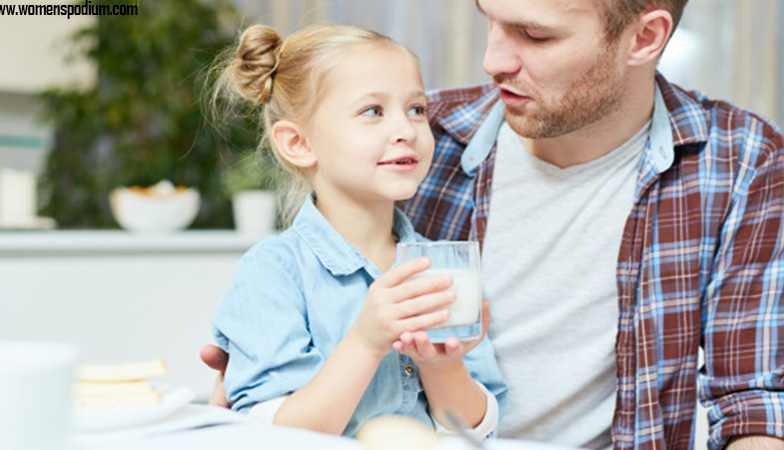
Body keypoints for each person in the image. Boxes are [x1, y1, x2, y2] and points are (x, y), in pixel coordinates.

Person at [204, 0, 784, 448]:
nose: (492, 62)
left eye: (534, 34)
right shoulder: (408, 149)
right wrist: (248, 410)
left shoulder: (741, 164)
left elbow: (756, 402)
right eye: (489, 18)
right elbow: (272, 411)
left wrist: (444, 364)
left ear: (645, 36)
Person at [207, 23, 507, 439]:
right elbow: (274, 437)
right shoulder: (273, 273)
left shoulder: (443, 269)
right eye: (373, 111)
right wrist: (367, 342)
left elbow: (478, 433)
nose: (407, 130)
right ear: (298, 143)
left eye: (417, 109)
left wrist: (442, 366)